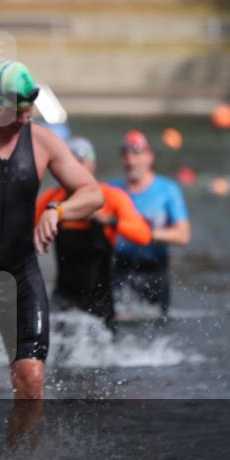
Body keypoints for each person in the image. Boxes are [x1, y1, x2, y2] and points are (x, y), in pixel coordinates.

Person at [0, 61, 103, 443]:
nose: (28, 115)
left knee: (31, 382)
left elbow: (93, 193)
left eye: (32, 106)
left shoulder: (42, 141)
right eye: (20, 107)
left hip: (21, 275)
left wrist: (58, 212)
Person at [35, 137, 152, 332]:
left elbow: (144, 235)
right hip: (64, 296)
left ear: (93, 165)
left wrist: (109, 221)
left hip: (100, 299)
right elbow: (26, 238)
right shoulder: (51, 199)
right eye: (73, 163)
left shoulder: (111, 197)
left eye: (83, 162)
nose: (78, 169)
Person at [109, 130, 191, 321]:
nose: (131, 162)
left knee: (156, 328)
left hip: (155, 270)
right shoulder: (112, 190)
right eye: (126, 156)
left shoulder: (168, 190)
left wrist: (145, 233)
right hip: (120, 269)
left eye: (137, 155)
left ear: (149, 157)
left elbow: (183, 235)